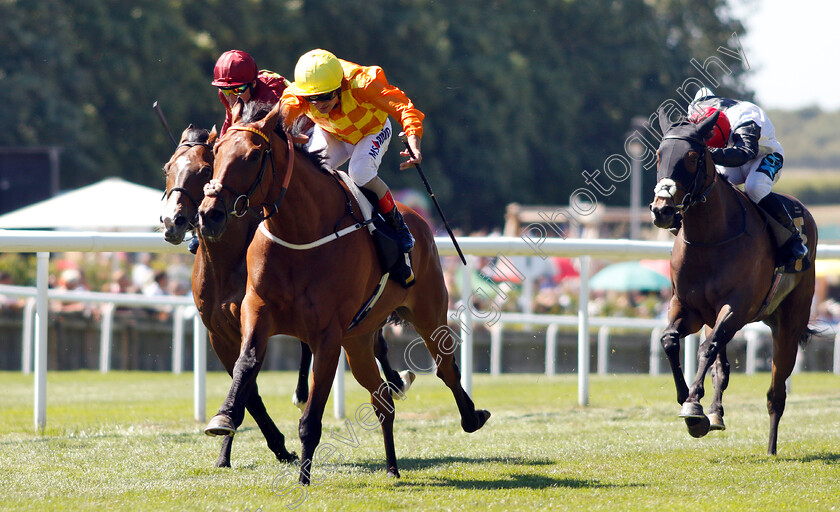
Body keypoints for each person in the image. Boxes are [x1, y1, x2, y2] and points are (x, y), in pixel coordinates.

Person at [278, 49, 423, 253]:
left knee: (360, 172)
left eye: (325, 96)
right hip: (333, 133)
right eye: (312, 98)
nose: (319, 104)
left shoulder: (362, 83)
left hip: (372, 131)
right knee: (308, 169)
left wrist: (413, 141)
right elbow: (277, 125)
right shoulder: (296, 96)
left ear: (339, 86)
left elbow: (404, 108)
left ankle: (398, 226)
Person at [688, 88, 808, 269]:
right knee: (710, 183)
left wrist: (708, 153)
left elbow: (745, 153)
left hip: (764, 155)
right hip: (732, 154)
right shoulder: (697, 111)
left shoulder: (746, 116)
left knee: (755, 187)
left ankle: (793, 236)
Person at [211, 49, 291, 136]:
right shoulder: (224, 94)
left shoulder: (271, 95)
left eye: (238, 90)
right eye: (226, 90)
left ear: (253, 84)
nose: (232, 98)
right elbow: (230, 122)